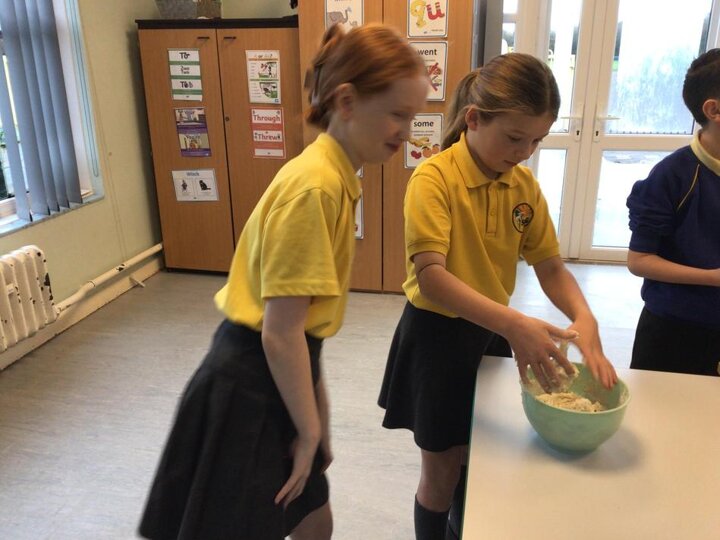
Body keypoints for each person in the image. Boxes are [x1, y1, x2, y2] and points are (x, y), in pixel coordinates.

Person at [138, 23, 428, 540]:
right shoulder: (315, 188)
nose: (406, 131)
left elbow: (304, 331)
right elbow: (279, 332)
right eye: (397, 114)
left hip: (283, 372)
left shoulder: (335, 176)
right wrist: (309, 429)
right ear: (346, 101)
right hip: (247, 385)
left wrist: (318, 419)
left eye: (412, 116)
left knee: (313, 522)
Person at [377, 53, 618, 540]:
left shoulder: (522, 185)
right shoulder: (434, 179)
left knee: (479, 457)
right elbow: (432, 278)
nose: (525, 151)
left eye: (537, 140)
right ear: (473, 119)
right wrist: (514, 324)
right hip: (436, 338)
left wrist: (584, 316)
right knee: (442, 469)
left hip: (488, 333)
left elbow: (550, 266)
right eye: (514, 138)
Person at [626, 49, 720, 377]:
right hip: (673, 332)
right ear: (714, 110)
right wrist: (713, 277)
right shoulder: (672, 175)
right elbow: (639, 261)